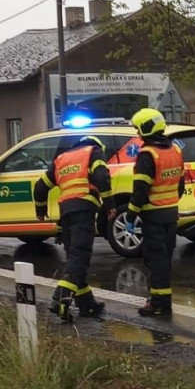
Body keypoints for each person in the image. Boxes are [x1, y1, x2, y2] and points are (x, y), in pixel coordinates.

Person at [32, 135, 114, 321]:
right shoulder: (93, 152)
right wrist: (109, 205)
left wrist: (41, 210)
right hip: (84, 210)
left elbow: (40, 187)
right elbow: (101, 177)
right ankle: (60, 299)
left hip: (66, 213)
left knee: (74, 257)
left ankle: (86, 304)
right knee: (80, 256)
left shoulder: (62, 159)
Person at [125, 108, 185, 317]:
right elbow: (180, 183)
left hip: (153, 215)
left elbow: (140, 190)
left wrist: (131, 215)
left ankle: (158, 303)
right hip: (171, 213)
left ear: (146, 128)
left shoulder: (147, 154)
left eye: (138, 129)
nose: (137, 133)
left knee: (155, 259)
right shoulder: (175, 150)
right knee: (165, 259)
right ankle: (162, 301)